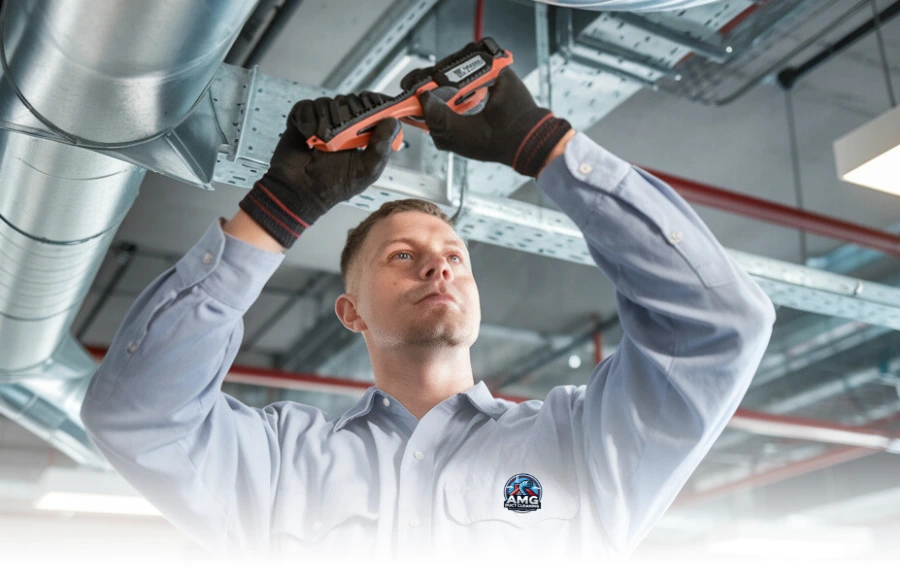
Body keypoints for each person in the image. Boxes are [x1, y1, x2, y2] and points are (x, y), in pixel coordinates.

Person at [80, 55, 775, 565]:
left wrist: (545, 146)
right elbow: (136, 414)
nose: (439, 262)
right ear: (351, 312)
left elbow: (720, 328)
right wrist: (276, 211)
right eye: (403, 257)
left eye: (453, 256)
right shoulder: (283, 464)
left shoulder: (583, 443)